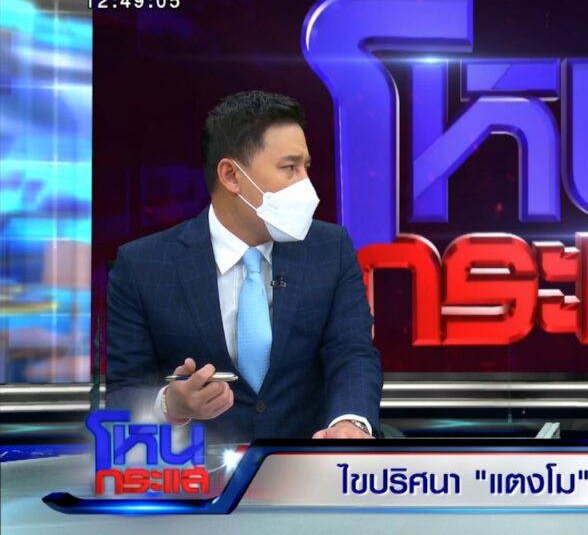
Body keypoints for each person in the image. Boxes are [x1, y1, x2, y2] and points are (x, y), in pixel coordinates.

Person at [105, 90, 382, 443]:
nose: (307, 186)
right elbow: (123, 390)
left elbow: (353, 353)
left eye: (306, 168)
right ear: (231, 176)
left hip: (305, 463)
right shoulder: (142, 266)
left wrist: (350, 423)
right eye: (290, 168)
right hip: (193, 468)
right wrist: (169, 405)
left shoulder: (331, 249)